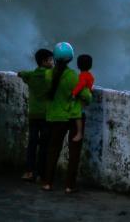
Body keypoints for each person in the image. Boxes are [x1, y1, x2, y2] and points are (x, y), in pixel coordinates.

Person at [42, 42, 92, 193]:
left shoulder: (48, 74)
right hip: (73, 116)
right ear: (71, 58)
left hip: (55, 117)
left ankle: (47, 183)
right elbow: (86, 97)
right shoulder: (72, 76)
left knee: (52, 150)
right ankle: (69, 186)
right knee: (74, 153)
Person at [18, 48, 53, 180]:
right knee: (44, 145)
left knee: (32, 143)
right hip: (46, 115)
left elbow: (21, 74)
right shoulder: (50, 75)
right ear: (44, 61)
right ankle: (41, 174)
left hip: (33, 114)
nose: (52, 62)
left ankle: (29, 172)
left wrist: (22, 74)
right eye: (50, 60)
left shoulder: (31, 75)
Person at [71, 54, 94, 142]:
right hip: (87, 96)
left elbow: (81, 84)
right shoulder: (90, 75)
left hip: (82, 98)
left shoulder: (82, 75)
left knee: (77, 115)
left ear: (78, 65)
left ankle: (79, 133)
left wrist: (74, 93)